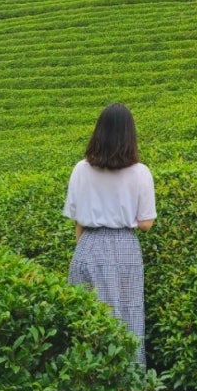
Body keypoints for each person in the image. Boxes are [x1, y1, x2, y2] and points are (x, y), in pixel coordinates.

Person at [63, 103, 156, 374]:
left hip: (89, 245)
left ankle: (86, 387)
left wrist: (82, 247)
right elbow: (146, 224)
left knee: (86, 316)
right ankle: (129, 390)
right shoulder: (141, 172)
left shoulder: (81, 169)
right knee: (127, 316)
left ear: (99, 132)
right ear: (130, 135)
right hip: (125, 247)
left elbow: (78, 220)